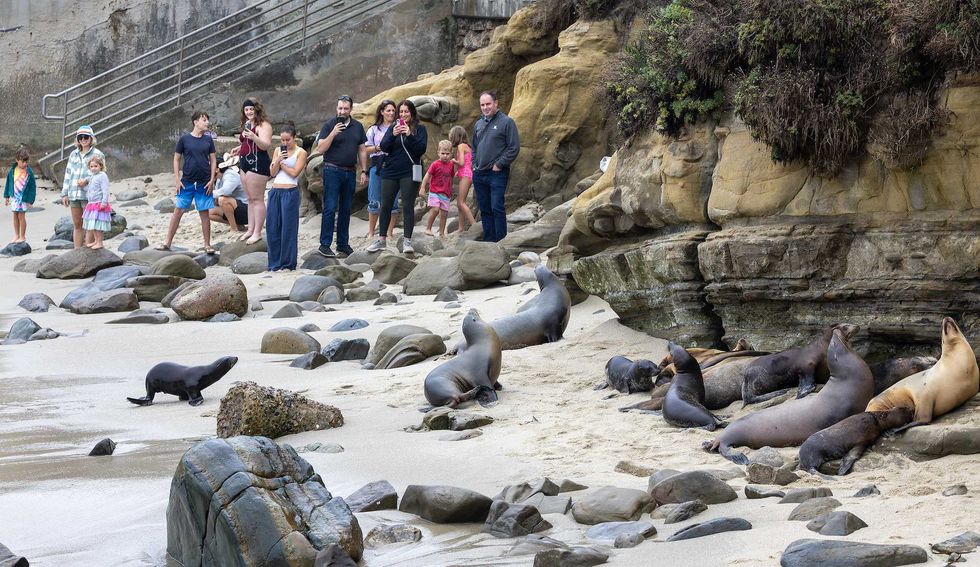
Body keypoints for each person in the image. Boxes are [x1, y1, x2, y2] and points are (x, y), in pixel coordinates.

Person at [367, 99, 428, 254]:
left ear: (412, 113)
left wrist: (409, 134)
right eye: (400, 112)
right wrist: (392, 135)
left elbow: (420, 150)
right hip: (390, 171)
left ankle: (407, 241)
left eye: (406, 111)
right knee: (385, 205)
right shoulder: (393, 127)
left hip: (409, 171)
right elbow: (384, 148)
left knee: (407, 205)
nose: (402, 114)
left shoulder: (420, 129)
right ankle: (381, 240)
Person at [157, 110, 217, 253]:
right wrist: (177, 179)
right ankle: (167, 242)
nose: (207, 123)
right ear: (195, 122)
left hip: (204, 182)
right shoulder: (184, 139)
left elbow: (213, 159)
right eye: (204, 120)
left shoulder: (208, 140)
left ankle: (207, 245)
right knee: (178, 210)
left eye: (207, 120)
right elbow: (176, 159)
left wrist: (212, 179)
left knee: (204, 213)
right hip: (187, 181)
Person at [316, 94, 369, 258]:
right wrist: (333, 133)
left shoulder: (358, 126)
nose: (342, 111)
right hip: (332, 170)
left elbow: (362, 149)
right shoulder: (329, 125)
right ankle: (324, 245)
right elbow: (320, 149)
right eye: (340, 108)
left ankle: (342, 244)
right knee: (330, 208)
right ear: (336, 108)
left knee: (346, 209)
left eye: (346, 108)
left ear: (351, 109)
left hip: (350, 171)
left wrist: (364, 170)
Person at [471, 90, 520, 242]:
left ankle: (501, 242)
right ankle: (489, 242)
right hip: (479, 173)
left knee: (497, 207)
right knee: (485, 210)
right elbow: (474, 147)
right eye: (482, 105)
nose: (485, 107)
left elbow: (514, 147)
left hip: (497, 173)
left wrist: (500, 164)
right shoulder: (478, 124)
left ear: (496, 103)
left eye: (488, 104)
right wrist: (474, 163)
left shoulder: (506, 122)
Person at [230, 98, 273, 245]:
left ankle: (257, 232)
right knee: (249, 200)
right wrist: (239, 148)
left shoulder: (264, 125)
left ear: (257, 109)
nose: (248, 112)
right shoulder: (247, 124)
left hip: (258, 163)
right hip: (245, 163)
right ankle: (250, 229)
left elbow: (266, 145)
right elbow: (245, 142)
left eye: (251, 109)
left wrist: (254, 137)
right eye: (246, 109)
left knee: (257, 199)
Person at [267, 122, 308, 271]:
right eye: (282, 140)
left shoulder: (301, 152)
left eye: (287, 140)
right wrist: (277, 160)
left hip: (290, 191)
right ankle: (274, 262)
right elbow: (272, 173)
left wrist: (281, 164)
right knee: (273, 227)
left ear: (294, 138)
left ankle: (288, 263)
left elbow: (294, 173)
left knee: (288, 228)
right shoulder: (278, 150)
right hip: (275, 191)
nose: (285, 143)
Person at [60, 125, 105, 248]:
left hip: (90, 196)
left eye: (86, 137)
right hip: (74, 194)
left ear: (91, 138)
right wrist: (64, 194)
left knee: (89, 224)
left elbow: (101, 176)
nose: (83, 139)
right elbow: (67, 175)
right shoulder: (73, 154)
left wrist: (86, 181)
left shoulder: (98, 154)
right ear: (77, 139)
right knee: (77, 224)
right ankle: (77, 252)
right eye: (80, 137)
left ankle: (88, 250)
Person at [365, 99, 399, 239]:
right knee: (374, 199)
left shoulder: (399, 126)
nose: (391, 113)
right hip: (377, 164)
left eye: (393, 110)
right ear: (382, 112)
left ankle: (390, 232)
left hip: (395, 165)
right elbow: (366, 149)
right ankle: (371, 232)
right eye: (388, 110)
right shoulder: (373, 129)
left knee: (394, 200)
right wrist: (380, 147)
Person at [420, 140, 456, 238]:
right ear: (438, 153)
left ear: (451, 153)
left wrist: (450, 189)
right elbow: (427, 175)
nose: (445, 156)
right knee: (435, 209)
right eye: (443, 153)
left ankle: (441, 233)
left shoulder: (451, 165)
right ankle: (428, 228)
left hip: (446, 193)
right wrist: (422, 188)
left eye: (447, 154)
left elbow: (451, 177)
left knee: (444, 215)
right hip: (435, 191)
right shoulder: (435, 164)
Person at [209, 153, 248, 232]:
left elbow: (225, 191)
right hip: (236, 207)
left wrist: (209, 193)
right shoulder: (219, 178)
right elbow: (216, 199)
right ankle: (238, 225)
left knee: (222, 200)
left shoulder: (230, 174)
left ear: (217, 169)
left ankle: (234, 229)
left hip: (247, 209)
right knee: (208, 212)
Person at [4, 148, 36, 244]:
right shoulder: (12, 171)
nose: (25, 164)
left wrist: (31, 200)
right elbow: (8, 184)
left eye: (26, 161)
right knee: (15, 215)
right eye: (23, 161)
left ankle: (22, 236)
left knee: (21, 216)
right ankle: (16, 235)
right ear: (17, 160)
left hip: (23, 198)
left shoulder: (29, 172)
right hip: (15, 197)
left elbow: (32, 187)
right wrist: (6, 197)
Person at [448, 125, 477, 234]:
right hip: (466, 174)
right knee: (461, 202)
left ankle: (474, 225)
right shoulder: (467, 146)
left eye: (451, 136)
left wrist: (454, 161)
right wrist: (457, 171)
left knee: (461, 202)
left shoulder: (461, 146)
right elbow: (467, 163)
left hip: (466, 175)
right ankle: (461, 228)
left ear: (456, 136)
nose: (450, 138)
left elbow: (462, 163)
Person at [80, 155, 111, 250]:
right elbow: (90, 189)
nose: (93, 168)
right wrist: (82, 186)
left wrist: (104, 203)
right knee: (92, 224)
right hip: (91, 204)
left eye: (95, 166)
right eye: (91, 166)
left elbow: (105, 190)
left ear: (101, 166)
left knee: (98, 225)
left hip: (99, 203)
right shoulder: (92, 176)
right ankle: (96, 241)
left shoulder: (102, 176)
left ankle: (100, 242)